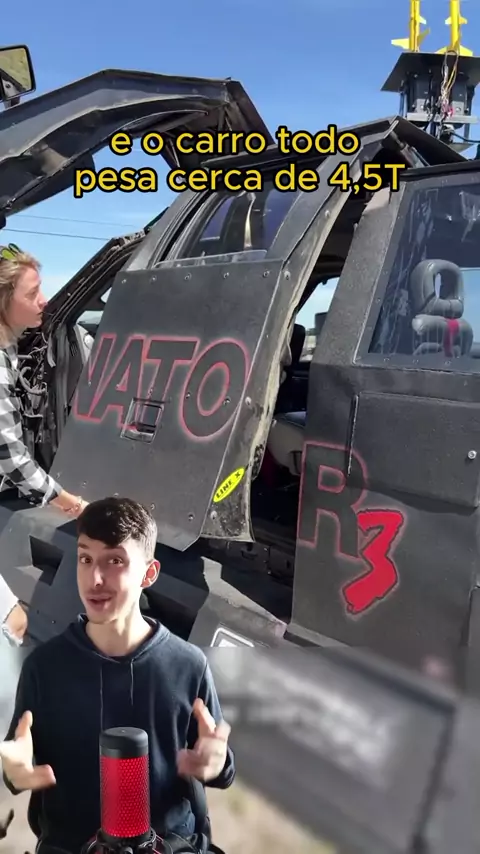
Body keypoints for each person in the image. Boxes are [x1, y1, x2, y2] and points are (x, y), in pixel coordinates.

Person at [0, 497, 234, 854]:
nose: (95, 578)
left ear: (149, 573)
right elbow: (18, 759)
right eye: (85, 559)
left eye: (115, 561)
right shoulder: (44, 668)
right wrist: (15, 773)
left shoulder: (188, 665)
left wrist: (216, 763)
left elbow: (221, 767)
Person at [0, 243, 87, 517]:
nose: (44, 300)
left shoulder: (9, 346)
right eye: (32, 293)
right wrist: (74, 505)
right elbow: (12, 460)